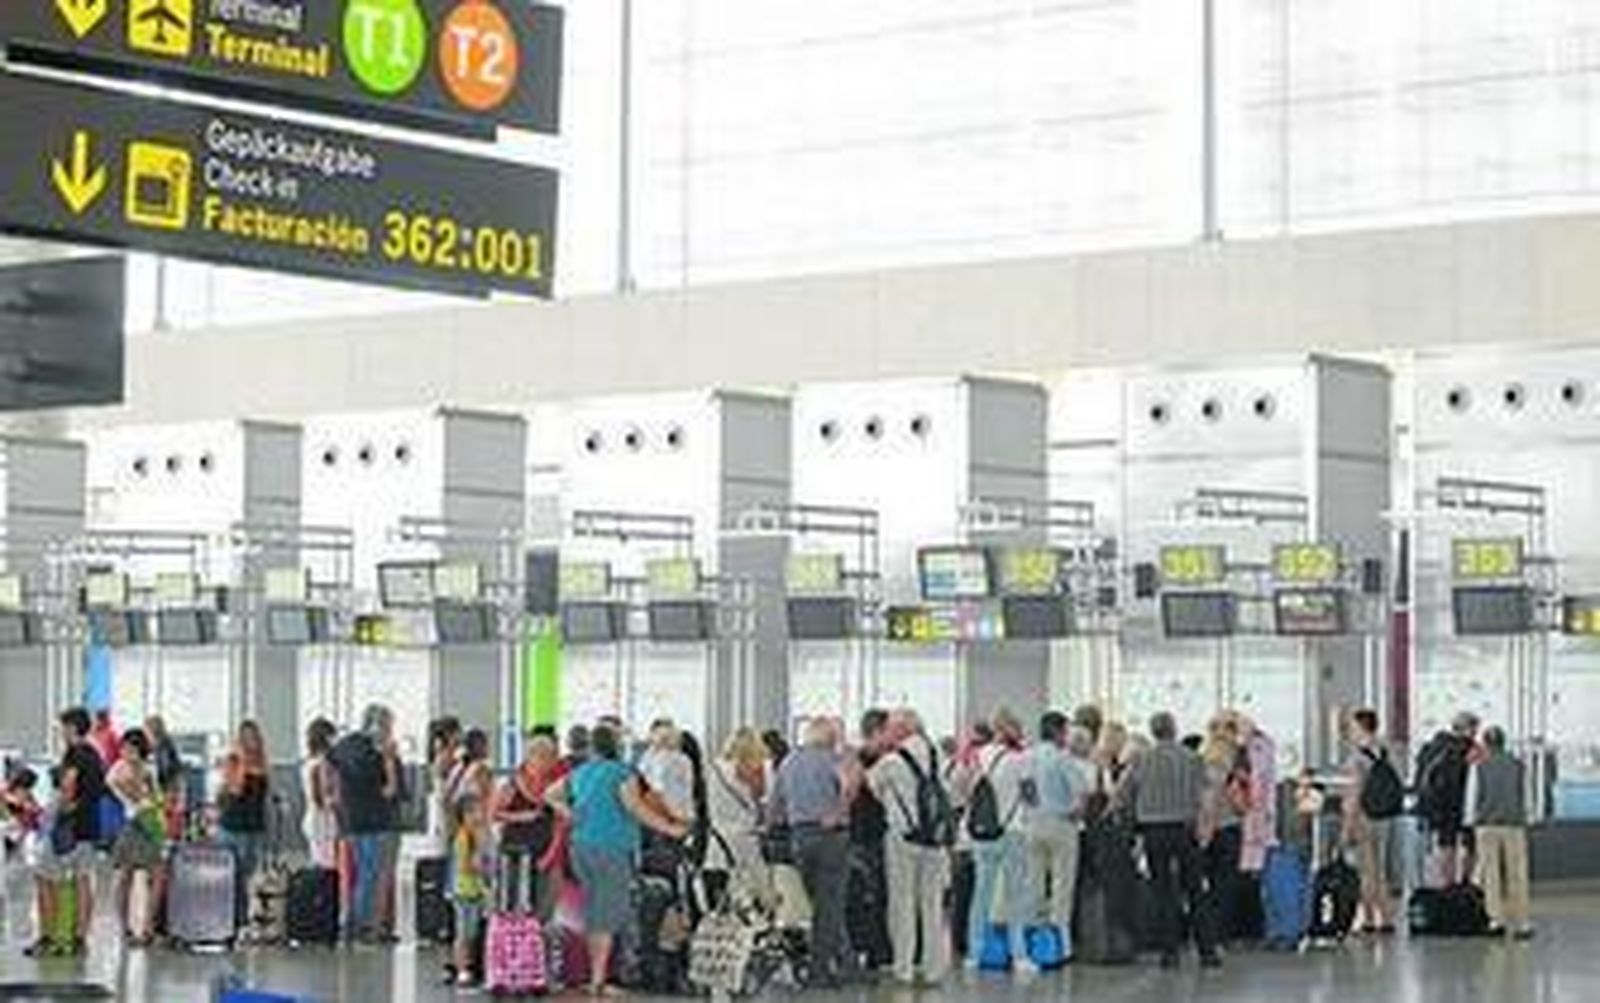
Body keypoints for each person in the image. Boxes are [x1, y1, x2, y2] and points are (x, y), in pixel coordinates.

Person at [545, 723, 687, 998]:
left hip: (581, 848)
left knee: (597, 912)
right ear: (616, 746)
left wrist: (567, 812)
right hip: (611, 848)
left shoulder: (581, 772)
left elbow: (549, 794)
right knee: (606, 915)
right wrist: (671, 829)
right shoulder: (623, 773)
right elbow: (635, 808)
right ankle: (598, 980)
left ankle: (596, 978)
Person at [1119, 711, 1219, 969]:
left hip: (1153, 831)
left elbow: (1124, 793)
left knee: (1163, 892)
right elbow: (1207, 794)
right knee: (1195, 890)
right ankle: (1207, 952)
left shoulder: (1140, 759)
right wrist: (1204, 826)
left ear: (1153, 731)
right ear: (1174, 729)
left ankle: (1169, 953)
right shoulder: (1193, 758)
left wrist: (1132, 822)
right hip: (1185, 830)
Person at [868, 709, 951, 987]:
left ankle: (903, 967)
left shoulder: (891, 760)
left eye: (890, 727)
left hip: (903, 839)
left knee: (902, 904)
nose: (888, 732)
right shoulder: (937, 754)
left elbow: (872, 786)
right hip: (935, 840)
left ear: (901, 730)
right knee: (932, 904)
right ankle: (933, 968)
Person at [770, 718, 853, 987]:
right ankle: (821, 972)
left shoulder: (789, 762)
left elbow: (776, 806)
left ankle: (842, 961)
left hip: (799, 838)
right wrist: (839, 812)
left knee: (809, 904)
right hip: (831, 838)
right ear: (829, 738)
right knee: (829, 907)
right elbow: (849, 788)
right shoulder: (834, 760)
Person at [958, 708, 1034, 977]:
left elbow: (965, 789)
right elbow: (1030, 796)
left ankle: (974, 953)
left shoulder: (978, 755)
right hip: (1013, 831)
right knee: (1016, 895)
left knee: (982, 894)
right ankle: (1019, 955)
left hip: (982, 831)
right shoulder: (1021, 758)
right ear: (1010, 729)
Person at [29, 707, 107, 957]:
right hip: (89, 826)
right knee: (83, 881)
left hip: (67, 828)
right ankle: (79, 939)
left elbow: (68, 787)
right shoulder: (95, 754)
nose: (61, 731)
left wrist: (55, 813)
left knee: (44, 877)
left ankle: (48, 936)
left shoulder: (75, 753)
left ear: (72, 727)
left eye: (63, 726)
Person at [1028, 715, 1092, 960]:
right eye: (1065, 731)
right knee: (1062, 885)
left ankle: (1034, 940)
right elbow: (1082, 793)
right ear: (1057, 732)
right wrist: (1075, 814)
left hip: (1033, 824)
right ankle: (1059, 946)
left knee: (1035, 884)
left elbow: (1026, 790)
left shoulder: (1028, 756)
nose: (1067, 736)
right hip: (1061, 825)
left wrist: (1037, 809)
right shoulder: (1063, 759)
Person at [330, 704, 395, 941]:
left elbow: (332, 775)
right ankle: (358, 924)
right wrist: (388, 760)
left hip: (350, 820)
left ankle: (351, 920)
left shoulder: (344, 746)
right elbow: (389, 790)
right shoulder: (376, 753)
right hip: (375, 820)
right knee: (370, 874)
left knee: (357, 873)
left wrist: (339, 803)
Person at [1464, 726, 1533, 939]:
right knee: (1517, 873)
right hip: (1514, 824)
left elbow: (1472, 796)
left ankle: (1496, 920)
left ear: (1486, 744)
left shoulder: (1479, 767)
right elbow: (1526, 795)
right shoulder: (1518, 765)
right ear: (1504, 743)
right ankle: (1521, 922)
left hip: (1486, 825)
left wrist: (1470, 821)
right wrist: (1527, 818)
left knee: (1491, 874)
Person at [494, 729, 568, 919]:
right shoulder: (513, 784)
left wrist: (551, 857)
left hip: (546, 852)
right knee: (514, 904)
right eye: (544, 757)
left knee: (543, 908)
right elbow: (494, 814)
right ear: (531, 757)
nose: (550, 762)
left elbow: (561, 825)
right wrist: (521, 816)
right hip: (516, 854)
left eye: (551, 757)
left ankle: (536, 943)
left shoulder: (557, 785)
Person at [1342, 708, 1399, 934]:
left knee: (1366, 869)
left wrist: (1347, 826)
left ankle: (1367, 919)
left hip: (1364, 816)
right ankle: (1386, 918)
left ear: (1361, 727)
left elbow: (1354, 793)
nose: (1350, 731)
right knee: (1381, 868)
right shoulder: (1386, 750)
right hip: (1384, 816)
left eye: (1353, 726)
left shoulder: (1357, 756)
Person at [107, 729, 166, 945]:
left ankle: (148, 926)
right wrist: (140, 786)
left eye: (132, 749)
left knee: (158, 874)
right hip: (129, 826)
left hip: (150, 825)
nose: (127, 753)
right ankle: (125, 928)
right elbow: (130, 795)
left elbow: (155, 796)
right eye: (124, 748)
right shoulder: (117, 770)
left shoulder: (149, 769)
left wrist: (151, 798)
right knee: (125, 875)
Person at [847, 709, 894, 973]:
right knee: (872, 895)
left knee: (873, 895)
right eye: (887, 731)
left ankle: (875, 952)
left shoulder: (856, 759)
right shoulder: (868, 760)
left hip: (866, 834)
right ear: (876, 731)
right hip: (867, 835)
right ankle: (875, 952)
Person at [1415, 712, 1481, 885]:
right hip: (1464, 804)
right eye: (1474, 729)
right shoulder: (1470, 749)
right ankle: (1465, 881)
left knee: (1446, 843)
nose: (1475, 733)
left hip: (1439, 805)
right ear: (1468, 729)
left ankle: (1447, 883)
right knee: (1470, 844)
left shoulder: (1434, 746)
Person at [1199, 713, 1247, 946]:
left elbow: (1204, 803)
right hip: (1227, 829)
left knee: (1207, 885)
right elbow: (1230, 803)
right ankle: (1219, 934)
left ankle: (1207, 932)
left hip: (1207, 831)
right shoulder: (1228, 770)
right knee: (1225, 885)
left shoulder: (1200, 763)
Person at [705, 728, 770, 899]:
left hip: (718, 842)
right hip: (745, 840)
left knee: (725, 898)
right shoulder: (754, 771)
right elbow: (762, 801)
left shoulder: (714, 769)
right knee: (756, 896)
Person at [218, 720, 271, 929]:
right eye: (246, 737)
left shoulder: (262, 762)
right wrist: (241, 762)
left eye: (254, 736)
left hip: (255, 824)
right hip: (234, 823)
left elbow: (265, 792)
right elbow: (236, 790)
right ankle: (235, 919)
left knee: (249, 873)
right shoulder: (232, 760)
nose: (251, 741)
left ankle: (242, 916)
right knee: (235, 874)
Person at [451, 789, 497, 988]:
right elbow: (465, 866)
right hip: (464, 893)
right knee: (464, 932)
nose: (478, 816)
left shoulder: (483, 835)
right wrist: (479, 862)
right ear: (464, 816)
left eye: (480, 811)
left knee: (474, 932)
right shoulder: (463, 838)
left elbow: (490, 861)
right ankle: (461, 969)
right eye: (473, 812)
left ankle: (472, 966)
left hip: (479, 892)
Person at [638, 719, 696, 825]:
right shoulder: (684, 759)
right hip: (677, 813)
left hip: (659, 812)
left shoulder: (652, 758)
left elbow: (655, 786)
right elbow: (688, 789)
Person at [301, 718, 340, 871]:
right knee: (328, 867)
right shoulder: (322, 763)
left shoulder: (307, 763)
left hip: (312, 818)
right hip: (322, 821)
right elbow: (323, 798)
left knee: (319, 864)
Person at [143, 715, 186, 841]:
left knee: (167, 826)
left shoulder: (162, 747)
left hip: (168, 791)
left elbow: (165, 772)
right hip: (171, 790)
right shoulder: (164, 745)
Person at [426, 716, 463, 852]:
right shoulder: (444, 757)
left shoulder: (450, 755)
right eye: (458, 732)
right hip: (447, 810)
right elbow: (446, 790)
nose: (461, 736)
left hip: (447, 808)